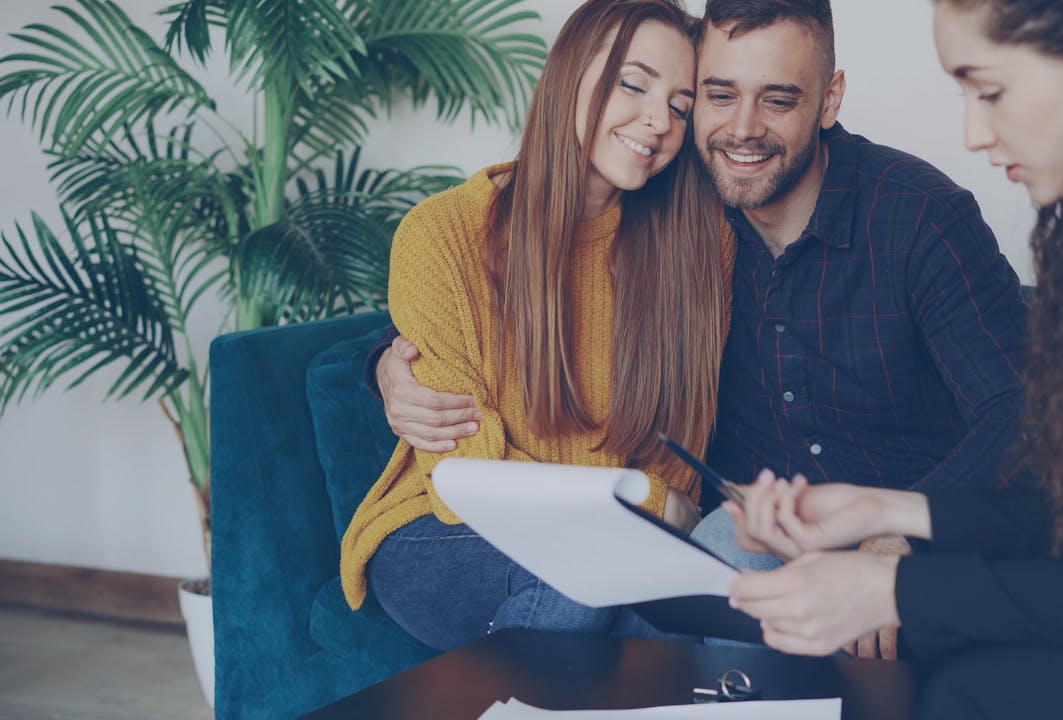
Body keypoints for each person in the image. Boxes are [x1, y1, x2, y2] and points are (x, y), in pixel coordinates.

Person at [368, 0, 1029, 660]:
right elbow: (481, 325)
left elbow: (1023, 409)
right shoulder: (682, 214)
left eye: (777, 99)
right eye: (718, 96)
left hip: (857, 529)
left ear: (829, 101)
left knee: (702, 574)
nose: (742, 129)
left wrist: (903, 529)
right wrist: (381, 365)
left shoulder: (899, 218)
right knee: (659, 578)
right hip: (665, 532)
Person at [727, 0, 1063, 716]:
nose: (973, 132)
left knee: (968, 690)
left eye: (988, 91)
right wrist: (881, 509)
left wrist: (891, 589)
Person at [338, 0, 735, 652]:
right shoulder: (443, 233)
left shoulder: (697, 248)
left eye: (681, 105)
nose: (659, 121)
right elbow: (469, 472)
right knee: (584, 574)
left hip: (613, 537)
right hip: (441, 533)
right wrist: (643, 501)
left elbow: (675, 461)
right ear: (568, 75)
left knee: (674, 629)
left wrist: (647, 503)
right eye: (632, 83)